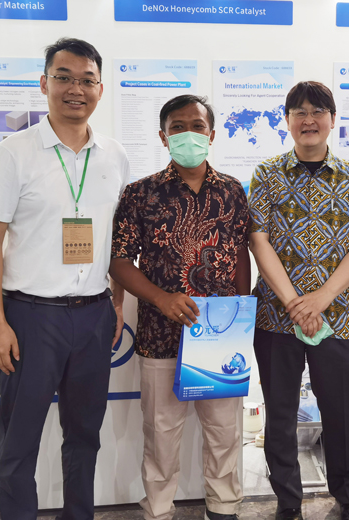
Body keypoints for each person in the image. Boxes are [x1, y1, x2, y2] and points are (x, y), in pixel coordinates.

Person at [0, 37, 130, 520]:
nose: (75, 89)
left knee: (85, 434)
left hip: (93, 315)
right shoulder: (14, 153)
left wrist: (116, 303)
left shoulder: (115, 156)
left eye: (87, 80)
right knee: (19, 439)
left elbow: (117, 242)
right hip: (31, 318)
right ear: (44, 84)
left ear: (100, 89)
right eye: (63, 77)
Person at [110, 94, 250, 520]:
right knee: (161, 434)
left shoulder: (232, 191)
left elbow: (240, 256)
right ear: (163, 136)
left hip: (220, 337)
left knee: (225, 432)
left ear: (212, 134)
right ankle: (158, 510)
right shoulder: (140, 194)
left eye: (197, 126)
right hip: (160, 335)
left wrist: (240, 320)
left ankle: (224, 508)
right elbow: (119, 261)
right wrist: (161, 298)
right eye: (178, 127)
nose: (189, 134)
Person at [248, 81, 349, 520]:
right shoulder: (267, 174)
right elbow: (258, 239)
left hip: (338, 317)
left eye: (318, 111)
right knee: (280, 413)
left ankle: (348, 494)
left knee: (340, 410)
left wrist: (320, 299)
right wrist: (295, 303)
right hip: (276, 318)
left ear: (332, 119)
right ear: (287, 120)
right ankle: (288, 500)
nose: (309, 120)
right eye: (299, 112)